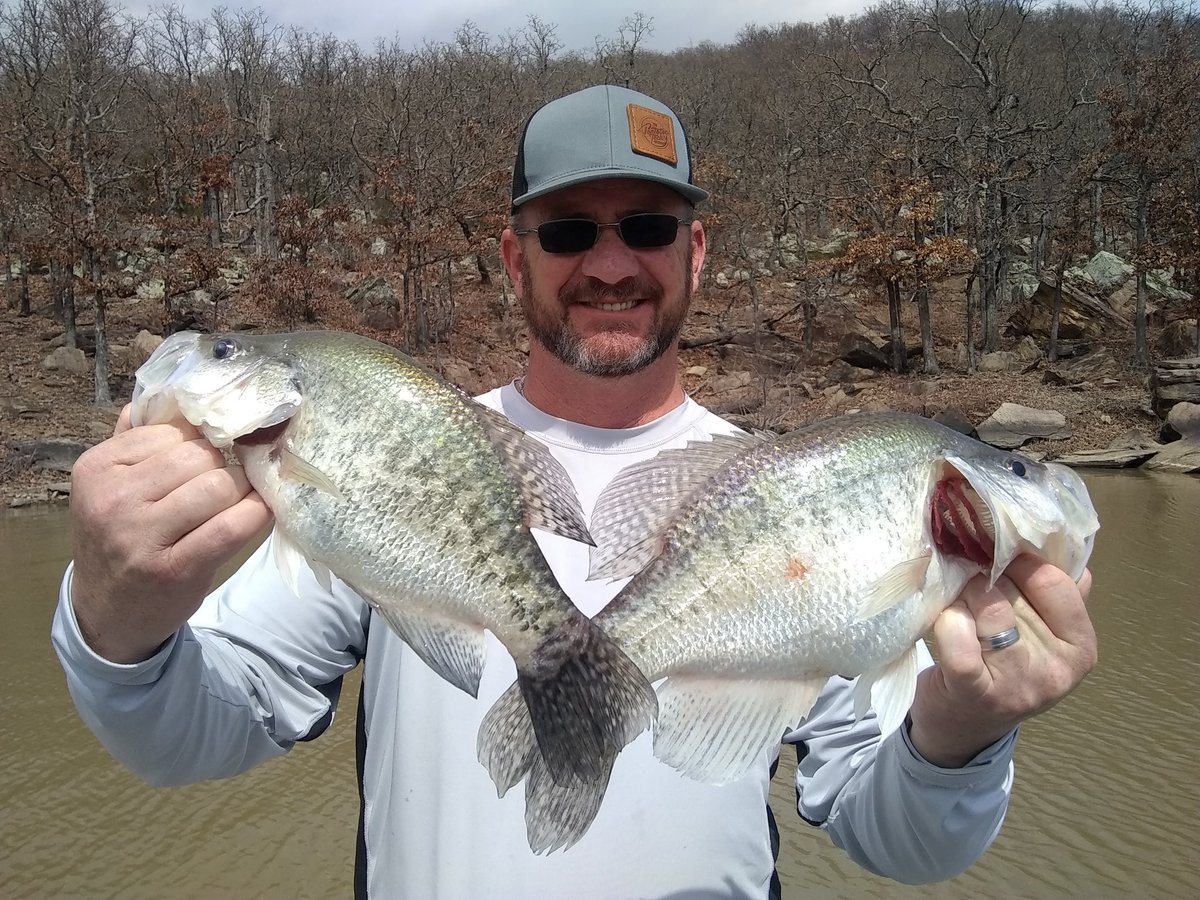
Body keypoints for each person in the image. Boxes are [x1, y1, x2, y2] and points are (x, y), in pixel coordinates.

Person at [52, 85, 1097, 899]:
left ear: (696, 250)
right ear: (515, 258)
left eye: (646, 226)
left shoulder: (795, 500)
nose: (609, 261)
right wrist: (116, 621)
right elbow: (182, 737)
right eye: (566, 232)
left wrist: (962, 735)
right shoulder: (398, 456)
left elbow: (901, 843)